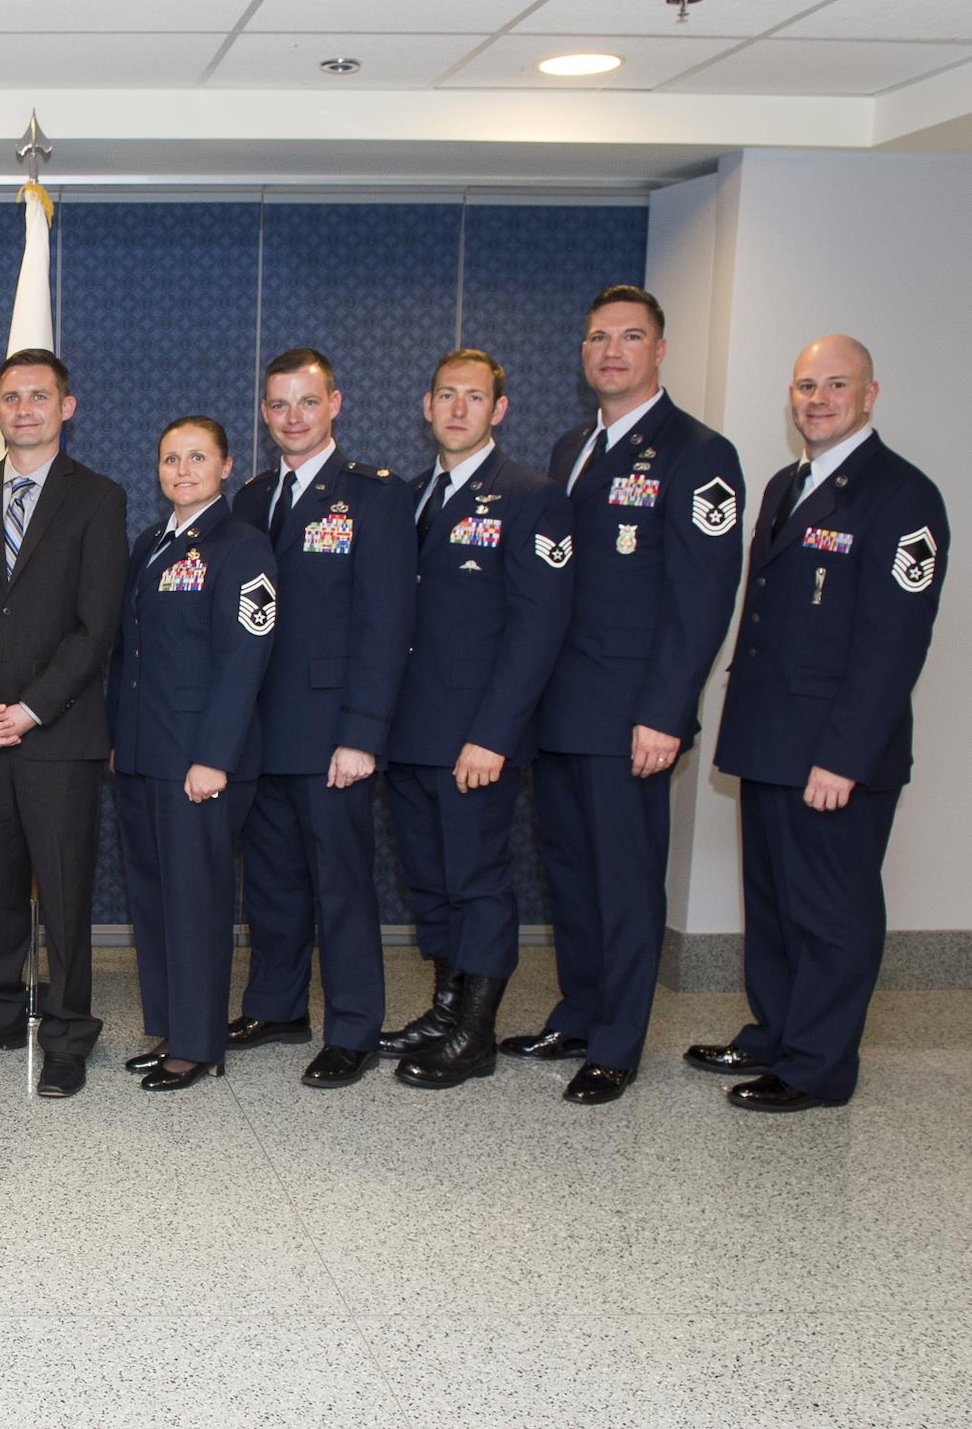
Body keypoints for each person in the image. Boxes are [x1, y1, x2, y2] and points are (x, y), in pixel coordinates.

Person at [691, 335, 949, 1112]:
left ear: (870, 395)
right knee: (772, 902)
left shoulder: (902, 496)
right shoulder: (785, 484)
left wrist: (843, 756)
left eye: (837, 384)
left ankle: (818, 1066)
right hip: (773, 741)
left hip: (832, 755)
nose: (818, 399)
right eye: (806, 385)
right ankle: (776, 1033)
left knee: (831, 913)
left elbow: (893, 644)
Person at [500, 286, 744, 1097]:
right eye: (599, 337)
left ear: (659, 350)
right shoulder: (572, 446)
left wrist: (665, 712)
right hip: (561, 708)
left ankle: (618, 1042)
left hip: (631, 715)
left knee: (627, 878)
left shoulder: (698, 453)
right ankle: (579, 1010)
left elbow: (702, 599)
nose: (612, 351)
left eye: (630, 337)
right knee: (569, 870)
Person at [0, 349, 127, 1098]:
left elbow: (95, 626)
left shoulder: (99, 499)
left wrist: (30, 709)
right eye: (12, 397)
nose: (25, 410)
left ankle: (68, 1031)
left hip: (59, 734)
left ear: (66, 407)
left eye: (40, 397)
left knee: (66, 892)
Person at [383, 350, 574, 1093]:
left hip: (475, 740)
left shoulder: (530, 496)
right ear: (426, 406)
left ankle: (477, 1030)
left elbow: (537, 628)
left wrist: (493, 734)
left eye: (475, 397)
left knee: (478, 881)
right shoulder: (408, 496)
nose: (458, 409)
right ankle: (444, 1007)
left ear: (499, 409)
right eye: (446, 396)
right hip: (408, 734)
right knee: (428, 881)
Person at [233, 349, 415, 1088]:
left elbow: (387, 622)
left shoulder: (373, 496)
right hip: (259, 731)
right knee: (272, 882)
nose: (292, 418)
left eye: (307, 402)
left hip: (333, 733)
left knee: (341, 885)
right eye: (278, 405)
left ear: (335, 403)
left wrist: (364, 732)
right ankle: (277, 1005)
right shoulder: (248, 499)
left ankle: (353, 1026)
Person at [111, 416, 276, 1092]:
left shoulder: (242, 547)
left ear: (226, 466)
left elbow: (245, 660)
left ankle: (199, 1043)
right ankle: (170, 1026)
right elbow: (132, 655)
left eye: (197, 457)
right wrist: (120, 738)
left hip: (199, 763)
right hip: (146, 752)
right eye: (170, 457)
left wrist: (214, 757)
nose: (182, 469)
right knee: (153, 898)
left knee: (196, 901)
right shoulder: (151, 543)